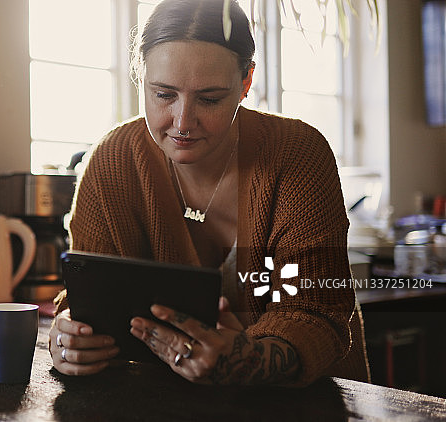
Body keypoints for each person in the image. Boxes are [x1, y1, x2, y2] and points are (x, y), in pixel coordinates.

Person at [48, 0, 370, 386]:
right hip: (161, 405)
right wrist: (71, 337)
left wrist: (244, 360)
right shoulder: (112, 159)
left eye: (210, 99)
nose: (183, 123)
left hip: (305, 403)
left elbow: (317, 315)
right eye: (164, 94)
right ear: (140, 76)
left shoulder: (296, 153)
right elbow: (91, 294)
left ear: (246, 83)